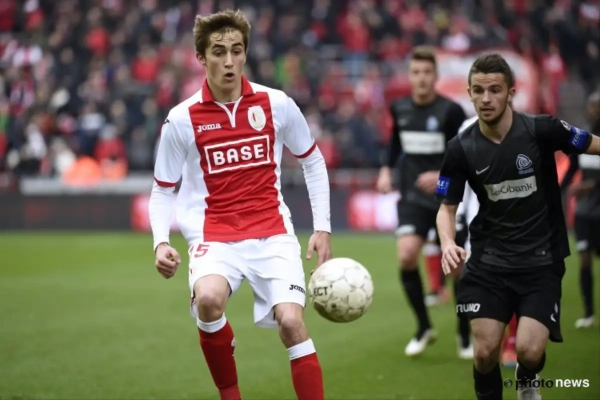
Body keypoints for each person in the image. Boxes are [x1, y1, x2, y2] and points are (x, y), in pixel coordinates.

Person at [148, 10, 331, 400]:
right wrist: (161, 242)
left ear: (246, 53)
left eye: (236, 50)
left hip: (273, 233)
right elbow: (163, 188)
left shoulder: (276, 104)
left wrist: (322, 227)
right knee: (209, 300)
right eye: (219, 52)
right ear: (201, 57)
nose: (229, 61)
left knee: (291, 324)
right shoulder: (181, 119)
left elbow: (313, 160)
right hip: (215, 237)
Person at [436, 52, 600, 400]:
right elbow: (446, 208)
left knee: (529, 351)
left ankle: (527, 380)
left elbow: (591, 143)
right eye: (478, 90)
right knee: (485, 352)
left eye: (494, 90)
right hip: (488, 263)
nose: (486, 98)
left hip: (541, 261)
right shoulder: (460, 148)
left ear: (511, 92)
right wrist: (448, 242)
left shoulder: (541, 130)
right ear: (469, 93)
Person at [377, 46, 470, 358]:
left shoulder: (451, 112)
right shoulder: (399, 108)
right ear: (409, 76)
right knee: (406, 256)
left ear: (435, 76)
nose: (421, 78)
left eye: (427, 72)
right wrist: (386, 170)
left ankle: (465, 334)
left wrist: (440, 175)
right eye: (416, 72)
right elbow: (394, 144)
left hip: (448, 197)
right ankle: (423, 327)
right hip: (413, 196)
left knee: (457, 268)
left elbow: (464, 155)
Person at [455, 115, 519, 369]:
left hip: (517, 224)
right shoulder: (466, 129)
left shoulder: (524, 128)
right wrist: (459, 216)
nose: (487, 98)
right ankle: (492, 342)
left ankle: (513, 341)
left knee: (513, 282)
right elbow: (461, 178)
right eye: (480, 94)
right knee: (484, 286)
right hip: (478, 226)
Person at [560, 90, 600, 329]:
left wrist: (591, 185)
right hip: (585, 212)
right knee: (584, 260)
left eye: (598, 107)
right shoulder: (584, 138)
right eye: (593, 106)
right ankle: (589, 313)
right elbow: (573, 167)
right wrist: (558, 189)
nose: (595, 111)